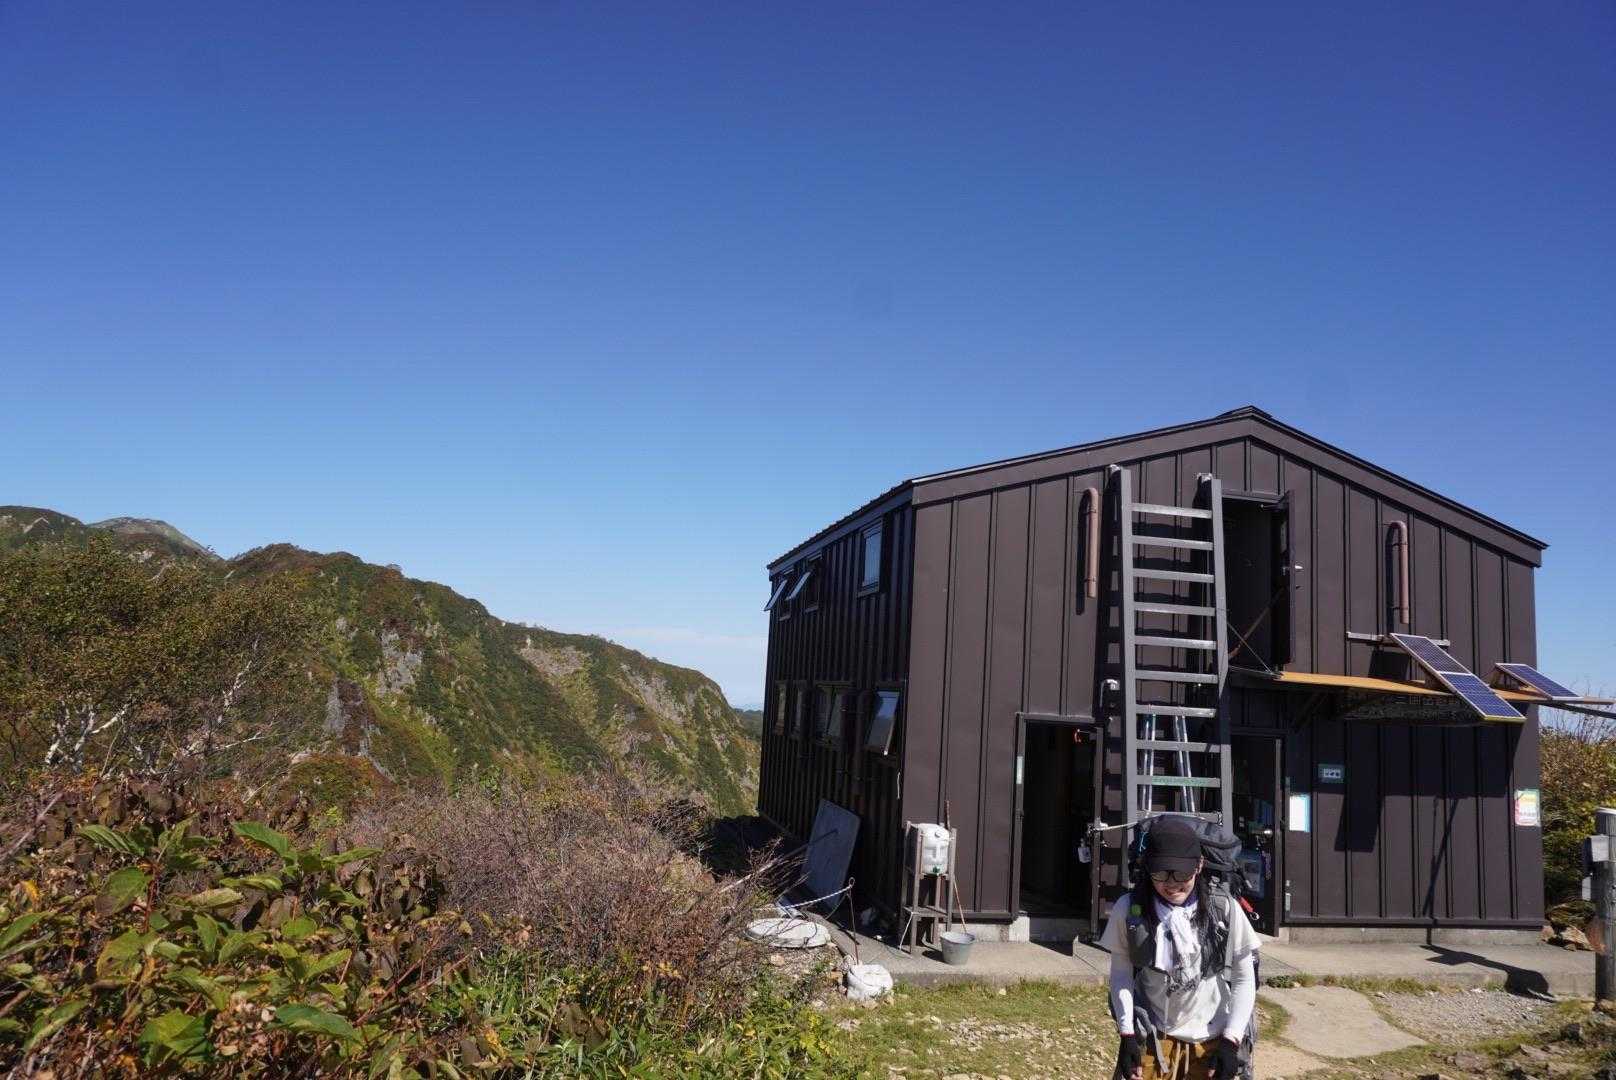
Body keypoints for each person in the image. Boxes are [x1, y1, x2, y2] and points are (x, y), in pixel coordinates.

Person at [1099, 816, 1258, 1080]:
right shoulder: (1129, 909)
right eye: (1160, 873)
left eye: (1182, 874)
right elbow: (1121, 975)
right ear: (1148, 868)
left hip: (1213, 1036)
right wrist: (1127, 1034)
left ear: (1199, 865)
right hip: (1153, 1033)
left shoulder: (1224, 908)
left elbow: (1244, 978)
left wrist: (1231, 1041)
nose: (1171, 884)